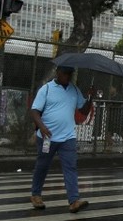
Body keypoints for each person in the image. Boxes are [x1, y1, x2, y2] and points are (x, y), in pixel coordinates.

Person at [30, 66, 95, 212]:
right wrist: (41, 127)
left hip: (68, 137)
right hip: (48, 137)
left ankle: (74, 200)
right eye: (66, 73)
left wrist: (90, 98)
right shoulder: (46, 89)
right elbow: (34, 111)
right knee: (43, 166)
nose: (69, 76)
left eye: (71, 73)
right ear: (58, 72)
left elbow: (83, 110)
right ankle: (36, 195)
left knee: (70, 167)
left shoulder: (74, 89)